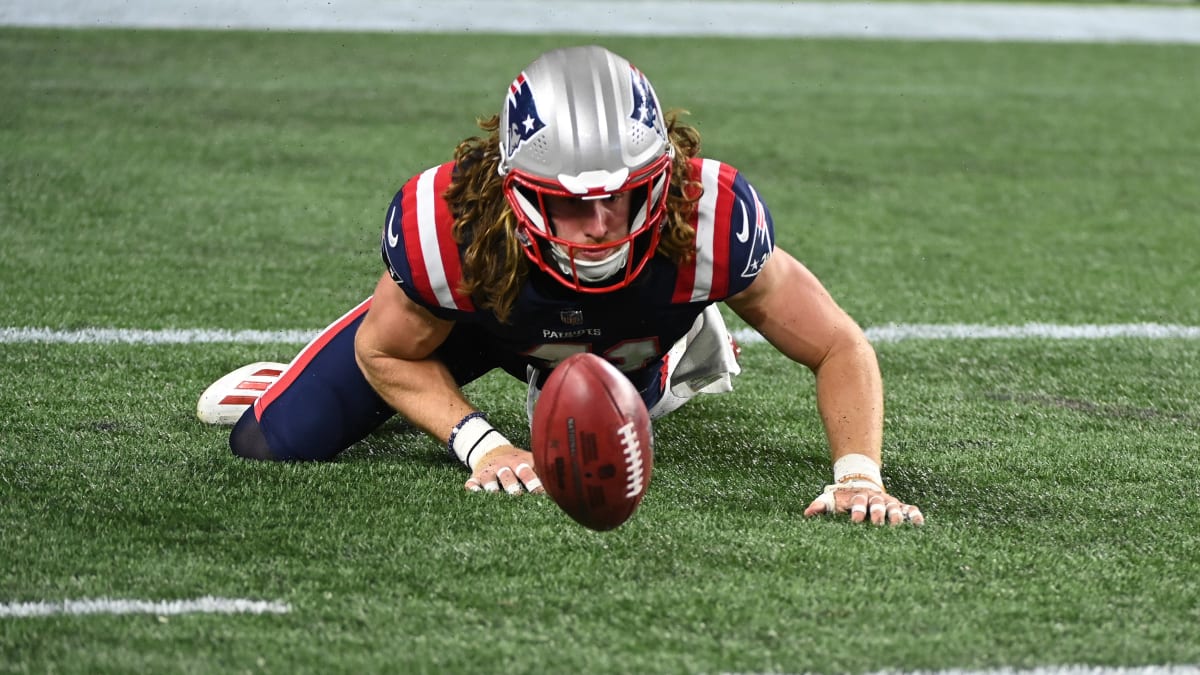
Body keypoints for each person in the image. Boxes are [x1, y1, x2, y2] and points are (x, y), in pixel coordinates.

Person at [198, 45, 924, 526]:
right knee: (269, 441)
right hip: (482, 325)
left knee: (601, 411)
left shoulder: (707, 216)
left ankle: (668, 352)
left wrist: (858, 474)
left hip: (622, 341)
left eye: (624, 193)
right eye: (573, 200)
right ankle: (290, 376)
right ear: (515, 187)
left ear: (660, 173)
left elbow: (838, 344)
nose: (602, 221)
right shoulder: (455, 224)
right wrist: (483, 444)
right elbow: (386, 353)